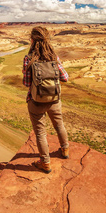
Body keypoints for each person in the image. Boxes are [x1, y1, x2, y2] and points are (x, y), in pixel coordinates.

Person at [22, 26, 69, 173]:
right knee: (59, 125)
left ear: (32, 40)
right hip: (54, 100)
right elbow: (65, 78)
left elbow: (27, 83)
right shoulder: (54, 57)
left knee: (41, 133)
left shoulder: (28, 59)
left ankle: (45, 163)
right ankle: (65, 150)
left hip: (36, 101)